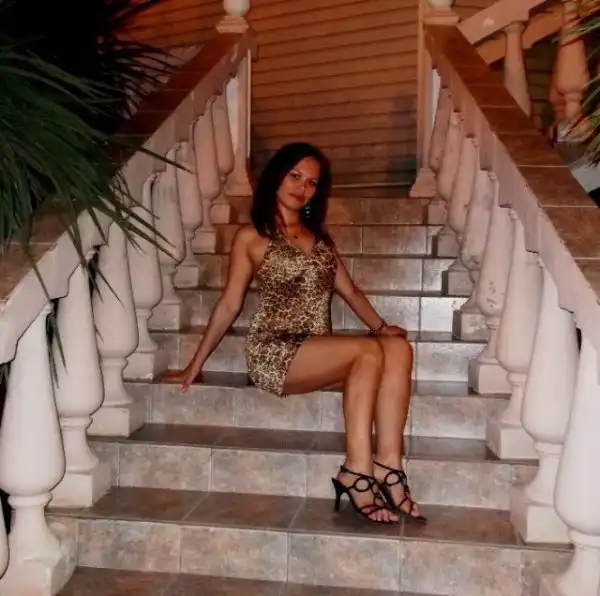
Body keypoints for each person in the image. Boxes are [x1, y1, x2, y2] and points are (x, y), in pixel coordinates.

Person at [163, 142, 424, 524]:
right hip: (275, 351)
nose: (302, 187)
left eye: (312, 182)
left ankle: (388, 463)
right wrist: (194, 365)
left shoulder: (321, 240)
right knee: (366, 352)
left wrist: (382, 329)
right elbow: (229, 305)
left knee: (397, 349)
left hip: (318, 348)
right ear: (276, 177)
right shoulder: (252, 236)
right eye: (295, 176)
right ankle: (356, 470)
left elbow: (350, 292)